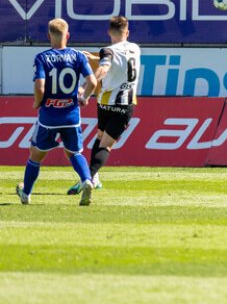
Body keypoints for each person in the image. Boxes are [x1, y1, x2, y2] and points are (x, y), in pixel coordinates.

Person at [16, 19, 98, 206]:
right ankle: (86, 180)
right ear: (67, 35)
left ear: (48, 36)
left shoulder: (42, 58)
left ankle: (26, 193)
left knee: (35, 154)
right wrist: (84, 97)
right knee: (74, 153)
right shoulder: (78, 56)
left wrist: (37, 102)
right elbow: (93, 82)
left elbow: (40, 86)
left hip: (49, 118)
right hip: (71, 116)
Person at [67, 16, 141, 196]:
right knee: (105, 145)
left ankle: (89, 178)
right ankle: (89, 179)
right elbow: (118, 58)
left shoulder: (107, 51)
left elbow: (104, 69)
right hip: (124, 104)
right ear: (127, 32)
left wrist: (86, 88)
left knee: (100, 138)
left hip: (105, 103)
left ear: (109, 32)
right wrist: (94, 57)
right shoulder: (135, 48)